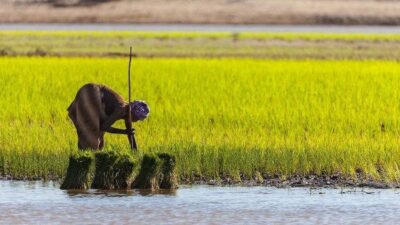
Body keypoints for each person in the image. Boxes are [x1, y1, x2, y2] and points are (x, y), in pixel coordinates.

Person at [67, 83, 150, 150]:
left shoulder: (127, 112)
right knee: (92, 139)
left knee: (99, 142)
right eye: (138, 118)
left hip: (92, 95)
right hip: (91, 95)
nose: (137, 121)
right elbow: (104, 127)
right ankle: (83, 163)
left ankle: (85, 158)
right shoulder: (121, 109)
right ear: (133, 113)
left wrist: (134, 149)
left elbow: (130, 133)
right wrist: (123, 132)